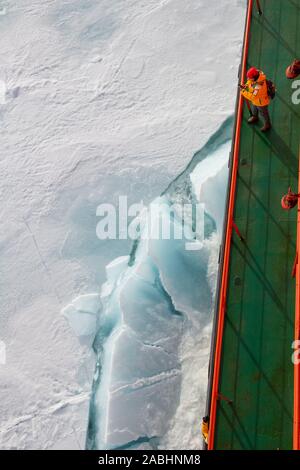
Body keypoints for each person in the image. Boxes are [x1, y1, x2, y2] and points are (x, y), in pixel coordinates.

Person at [240, 66, 272, 132]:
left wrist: (243, 91)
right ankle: (255, 117)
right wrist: (246, 86)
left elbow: (252, 97)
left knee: (263, 114)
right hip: (256, 101)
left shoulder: (259, 86)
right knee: (254, 109)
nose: (248, 79)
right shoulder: (257, 73)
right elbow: (249, 81)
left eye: (250, 78)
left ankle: (267, 124)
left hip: (261, 102)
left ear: (254, 77)